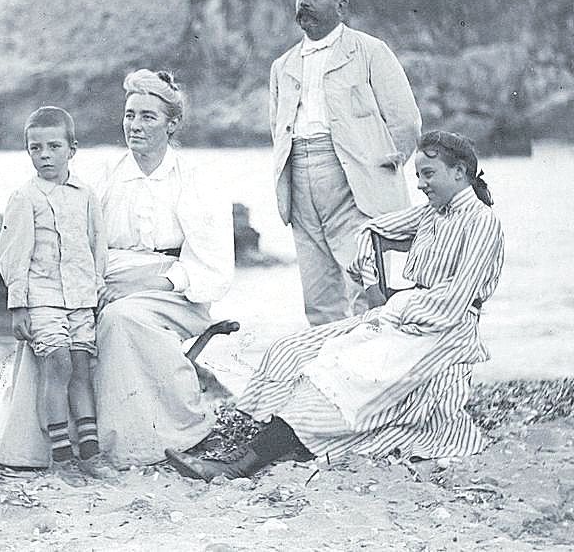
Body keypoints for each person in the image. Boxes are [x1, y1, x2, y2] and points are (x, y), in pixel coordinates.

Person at [166, 130, 504, 481]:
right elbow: (370, 231)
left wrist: (396, 312)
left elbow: (456, 298)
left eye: (428, 174)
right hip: (404, 315)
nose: (419, 184)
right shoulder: (433, 215)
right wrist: (374, 286)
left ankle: (241, 465)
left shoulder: (482, 222)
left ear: (459, 172)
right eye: (417, 175)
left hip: (444, 329)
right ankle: (257, 446)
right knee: (291, 350)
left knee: (339, 380)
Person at [93, 69, 234, 467]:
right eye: (129, 115)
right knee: (52, 315)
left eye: (148, 117)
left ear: (173, 124)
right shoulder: (106, 174)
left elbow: (210, 262)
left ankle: (148, 438)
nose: (134, 126)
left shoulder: (195, 179)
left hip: (174, 291)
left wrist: (139, 285)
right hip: (107, 279)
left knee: (120, 317)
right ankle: (31, 439)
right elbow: (85, 242)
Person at [270, 0, 422, 326]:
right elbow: (277, 129)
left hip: (355, 178)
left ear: (341, 7)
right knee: (318, 292)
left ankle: (376, 372)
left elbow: (406, 122)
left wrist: (380, 169)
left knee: (368, 281)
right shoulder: (283, 66)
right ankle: (329, 374)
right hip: (299, 178)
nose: (304, 1)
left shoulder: (370, 51)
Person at [0, 106, 108, 473]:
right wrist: (18, 305)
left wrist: (98, 284)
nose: (44, 155)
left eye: (54, 146)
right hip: (42, 298)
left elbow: (97, 245)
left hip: (79, 298)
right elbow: (14, 254)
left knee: (81, 367)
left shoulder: (86, 195)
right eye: (35, 148)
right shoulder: (24, 198)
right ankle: (60, 455)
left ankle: (89, 453)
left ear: (72, 149)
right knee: (56, 363)